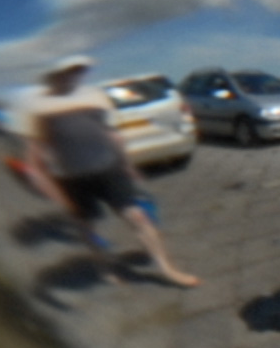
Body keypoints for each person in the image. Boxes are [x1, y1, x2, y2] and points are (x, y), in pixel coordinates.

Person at [14, 55, 199, 287]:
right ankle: (104, 266)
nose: (75, 76)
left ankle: (168, 270)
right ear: (54, 76)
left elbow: (111, 134)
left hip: (109, 170)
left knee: (138, 217)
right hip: (73, 179)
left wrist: (126, 164)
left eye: (78, 71)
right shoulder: (40, 107)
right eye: (69, 71)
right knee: (87, 227)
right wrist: (55, 193)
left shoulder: (93, 97)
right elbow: (36, 154)